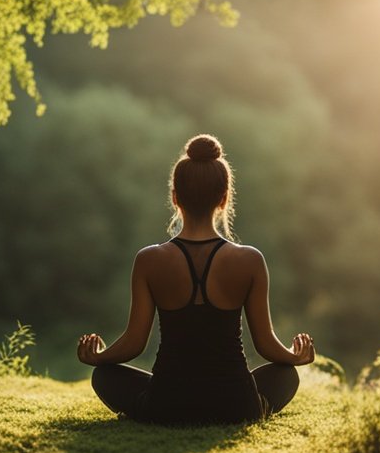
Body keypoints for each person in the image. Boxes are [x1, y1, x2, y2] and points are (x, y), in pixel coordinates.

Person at [76, 134, 315, 425]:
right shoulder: (250, 260)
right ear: (224, 198)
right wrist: (295, 355)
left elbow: (134, 343)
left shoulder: (149, 260)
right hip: (235, 404)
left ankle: (151, 410)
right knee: (285, 374)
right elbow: (266, 346)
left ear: (175, 198)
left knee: (104, 376)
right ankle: (254, 408)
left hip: (167, 405)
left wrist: (98, 357)